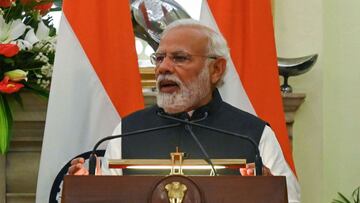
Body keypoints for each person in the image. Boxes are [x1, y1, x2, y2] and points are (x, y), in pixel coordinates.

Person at [68, 19, 300, 202]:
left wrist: (269, 192)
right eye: (159, 58)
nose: (163, 68)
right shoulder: (128, 131)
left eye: (179, 58)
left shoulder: (252, 134)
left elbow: (289, 200)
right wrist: (88, 187)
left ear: (216, 69)